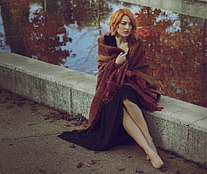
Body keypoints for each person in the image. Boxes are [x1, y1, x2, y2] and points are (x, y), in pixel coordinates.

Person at [58, 8, 164, 169]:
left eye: (129, 24)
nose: (127, 27)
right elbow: (101, 70)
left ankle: (149, 141)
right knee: (119, 102)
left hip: (133, 85)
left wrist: (127, 72)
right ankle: (149, 149)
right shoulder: (106, 42)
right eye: (123, 23)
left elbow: (142, 70)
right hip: (110, 89)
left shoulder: (136, 44)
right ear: (116, 24)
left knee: (126, 97)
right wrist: (115, 64)